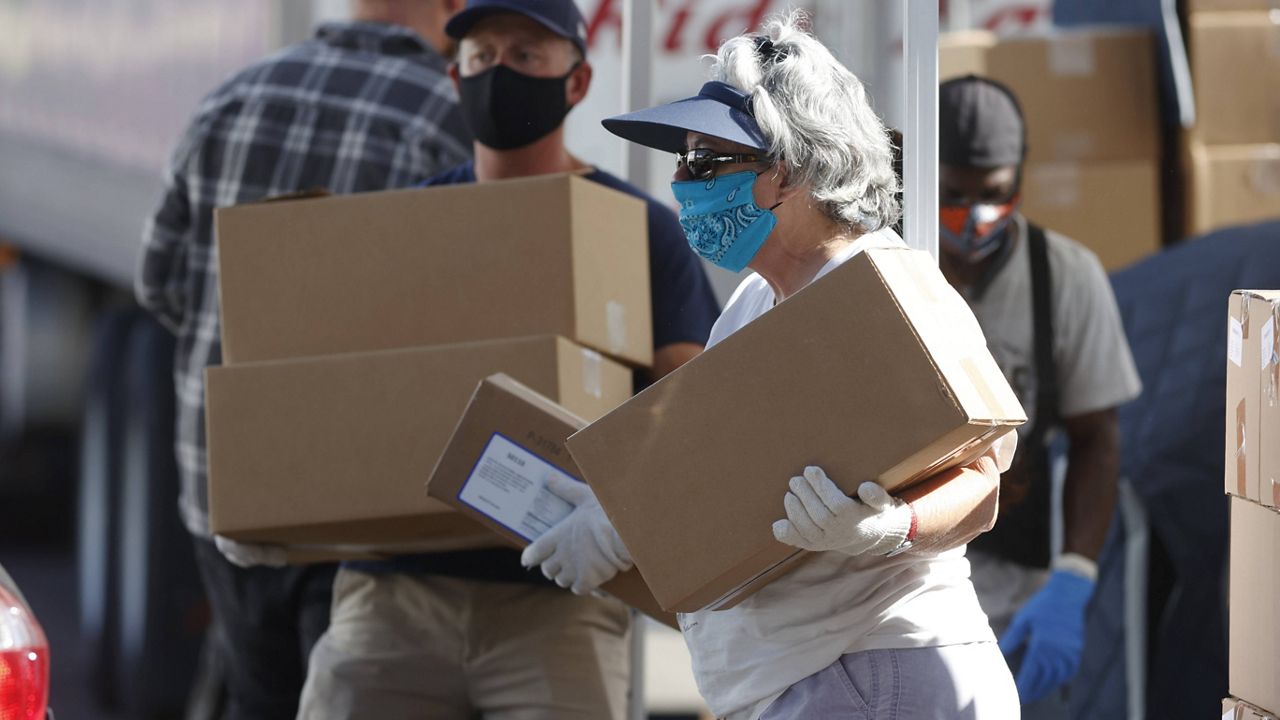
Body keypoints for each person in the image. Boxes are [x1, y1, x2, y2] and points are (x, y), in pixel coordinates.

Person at [525, 12, 1022, 720]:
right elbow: (716, 456)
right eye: (683, 162)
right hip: (814, 680)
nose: (682, 182)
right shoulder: (760, 300)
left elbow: (981, 481)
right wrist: (615, 524)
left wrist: (888, 529)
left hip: (877, 673)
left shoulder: (885, 289)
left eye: (705, 162)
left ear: (785, 171)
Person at [296, 1, 721, 718]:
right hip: (395, 597)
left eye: (526, 55)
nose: (500, 73)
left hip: (557, 603)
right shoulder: (405, 226)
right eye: (482, 56)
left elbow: (691, 403)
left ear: (578, 81)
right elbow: (344, 396)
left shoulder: (636, 230)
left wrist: (618, 521)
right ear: (454, 76)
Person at [135, 1, 471, 716]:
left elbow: (158, 284)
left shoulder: (231, 99)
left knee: (258, 693)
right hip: (361, 500)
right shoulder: (447, 119)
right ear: (451, 9)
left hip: (227, 486)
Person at [935, 75, 1142, 714]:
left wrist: (1074, 579)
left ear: (1020, 181)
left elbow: (1096, 438)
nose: (974, 216)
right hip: (901, 584)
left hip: (1017, 588)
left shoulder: (1065, 278)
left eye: (993, 195)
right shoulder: (883, 267)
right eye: (953, 195)